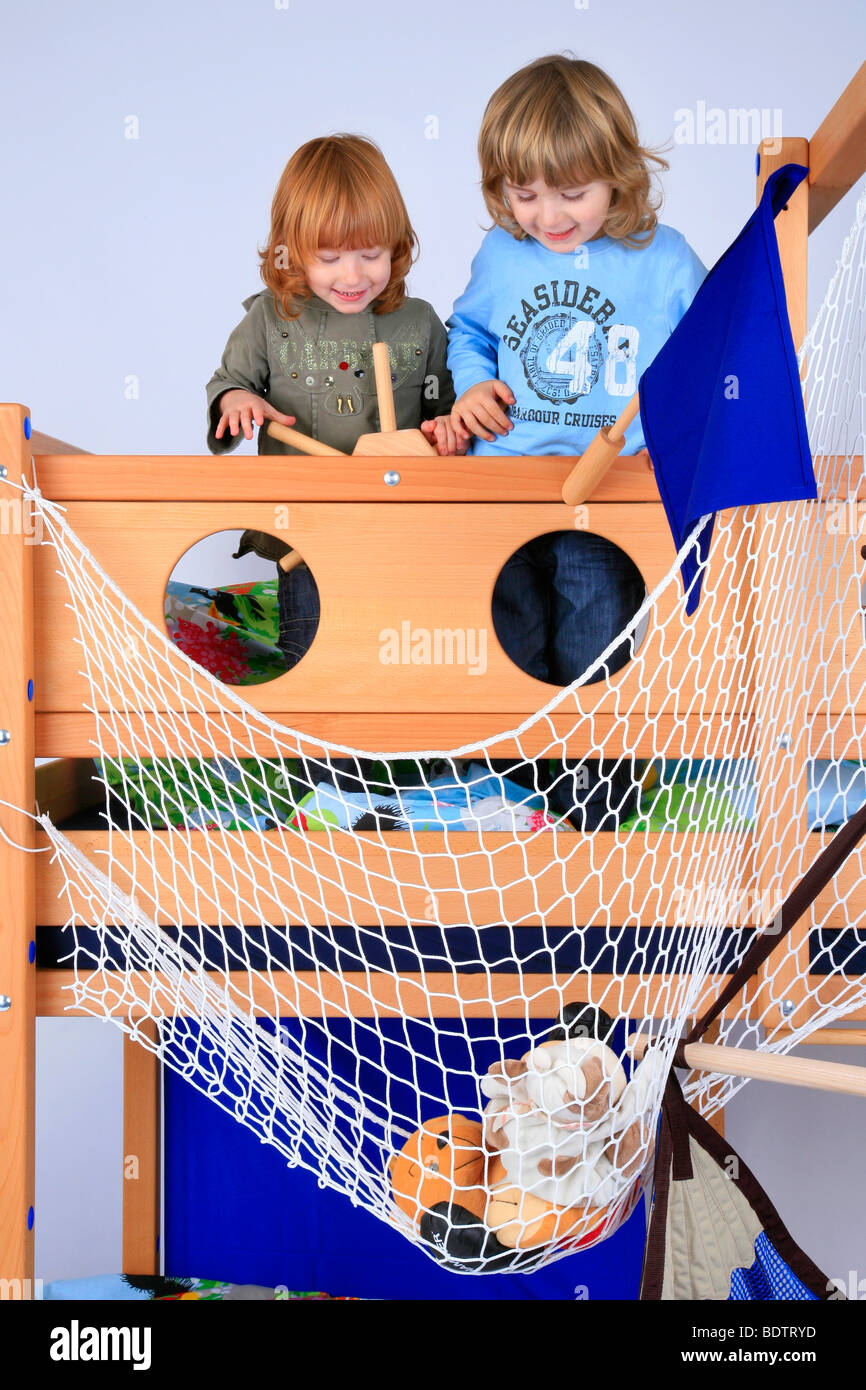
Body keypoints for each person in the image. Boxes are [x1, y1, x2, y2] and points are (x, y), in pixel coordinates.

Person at [447, 54, 707, 829]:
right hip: (501, 485)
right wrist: (470, 384)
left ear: (618, 176)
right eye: (525, 195)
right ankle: (507, 792)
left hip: (603, 487)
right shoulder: (502, 255)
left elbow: (704, 353)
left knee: (595, 625)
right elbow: (468, 332)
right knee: (506, 625)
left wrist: (678, 429)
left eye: (573, 193)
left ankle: (598, 795)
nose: (549, 216)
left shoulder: (661, 259)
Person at [206, 132, 462, 672]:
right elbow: (230, 382)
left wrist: (447, 432)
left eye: (371, 254)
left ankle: (414, 754)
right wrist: (236, 402)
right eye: (329, 257)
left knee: (406, 652)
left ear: (396, 246)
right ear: (292, 250)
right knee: (315, 658)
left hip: (403, 530)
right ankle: (326, 760)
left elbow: (444, 404)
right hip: (306, 529)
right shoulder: (271, 320)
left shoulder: (421, 324)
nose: (353, 275)